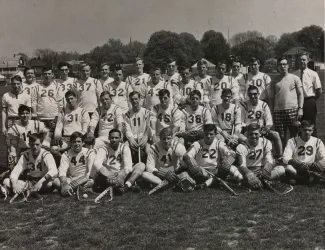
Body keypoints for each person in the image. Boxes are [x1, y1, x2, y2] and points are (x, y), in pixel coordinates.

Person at [182, 124, 242, 189]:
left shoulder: (218, 143)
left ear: (215, 134)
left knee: (237, 174)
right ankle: (213, 182)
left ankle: (208, 184)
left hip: (217, 171)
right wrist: (193, 165)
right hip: (202, 171)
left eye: (211, 134)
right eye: (206, 134)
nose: (208, 136)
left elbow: (232, 153)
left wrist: (227, 162)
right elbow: (186, 155)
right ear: (203, 133)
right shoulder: (198, 143)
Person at [236, 124, 285, 189]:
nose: (254, 136)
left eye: (256, 134)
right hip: (249, 170)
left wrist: (266, 171)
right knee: (238, 176)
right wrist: (250, 174)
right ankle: (263, 182)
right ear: (247, 134)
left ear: (260, 134)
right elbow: (241, 166)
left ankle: (256, 182)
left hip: (261, 170)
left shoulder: (266, 142)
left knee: (281, 169)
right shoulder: (241, 146)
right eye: (251, 134)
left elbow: (269, 160)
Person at [269, 56, 304, 148]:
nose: (282, 66)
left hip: (292, 110)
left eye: (284, 64)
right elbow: (271, 98)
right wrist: (272, 112)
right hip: (278, 112)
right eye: (280, 65)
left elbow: (301, 94)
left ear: (288, 66)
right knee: (281, 136)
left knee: (294, 135)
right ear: (277, 66)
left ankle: (295, 155)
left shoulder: (295, 78)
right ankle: (283, 157)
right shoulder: (274, 81)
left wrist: (300, 109)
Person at [240, 85, 283, 160]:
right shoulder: (244, 105)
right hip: (248, 129)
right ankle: (245, 157)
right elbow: (241, 121)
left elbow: (269, 120)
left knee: (276, 134)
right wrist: (248, 127)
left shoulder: (263, 104)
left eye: (255, 94)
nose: (253, 96)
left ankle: (279, 157)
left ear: (258, 94)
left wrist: (266, 128)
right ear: (248, 95)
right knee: (240, 137)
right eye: (250, 94)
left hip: (261, 129)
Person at [92, 129, 133, 193]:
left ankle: (126, 186)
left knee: (140, 165)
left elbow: (128, 166)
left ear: (120, 138)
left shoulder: (125, 148)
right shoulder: (103, 148)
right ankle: (116, 186)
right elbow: (97, 163)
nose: (114, 140)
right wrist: (109, 174)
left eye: (116, 138)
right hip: (107, 174)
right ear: (108, 138)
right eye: (112, 138)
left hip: (121, 174)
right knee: (98, 173)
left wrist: (120, 176)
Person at [295, 53, 322, 136]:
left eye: (304, 59)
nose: (302, 61)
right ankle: (300, 146)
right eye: (300, 60)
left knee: (311, 125)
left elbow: (319, 90)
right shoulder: (294, 74)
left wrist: (312, 100)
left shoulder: (313, 74)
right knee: (299, 125)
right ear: (297, 61)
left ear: (307, 61)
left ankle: (314, 146)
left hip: (309, 101)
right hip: (297, 102)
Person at [31, 67, 62, 138]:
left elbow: (60, 104)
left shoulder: (57, 86)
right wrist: (36, 116)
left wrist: (57, 117)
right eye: (45, 74)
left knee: (54, 140)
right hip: (41, 118)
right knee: (41, 140)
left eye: (49, 74)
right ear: (42, 75)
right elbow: (34, 103)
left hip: (53, 118)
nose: (47, 75)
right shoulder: (37, 87)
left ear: (52, 75)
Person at [123, 91, 152, 163]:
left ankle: (150, 167)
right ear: (129, 100)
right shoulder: (127, 114)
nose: (134, 101)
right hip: (133, 139)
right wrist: (131, 139)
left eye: (136, 99)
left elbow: (149, 126)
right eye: (132, 99)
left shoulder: (146, 112)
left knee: (148, 150)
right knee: (125, 148)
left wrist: (145, 137)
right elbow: (127, 129)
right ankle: (128, 167)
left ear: (140, 99)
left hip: (144, 138)